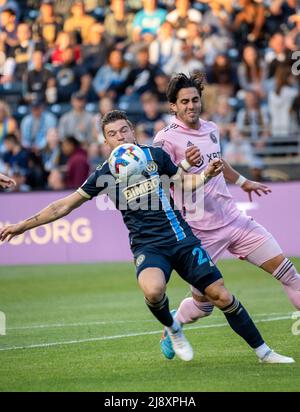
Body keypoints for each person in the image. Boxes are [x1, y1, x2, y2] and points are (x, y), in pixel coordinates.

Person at [0, 110, 294, 364]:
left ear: (133, 131)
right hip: (148, 246)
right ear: (106, 142)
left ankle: (265, 352)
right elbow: (63, 205)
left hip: (181, 238)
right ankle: (173, 328)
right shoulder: (105, 174)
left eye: (124, 130)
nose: (120, 136)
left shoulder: (155, 156)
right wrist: (22, 226)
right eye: (113, 133)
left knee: (221, 296)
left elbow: (183, 182)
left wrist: (204, 176)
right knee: (153, 292)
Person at [152, 72, 300, 360]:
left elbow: (219, 162)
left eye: (195, 99)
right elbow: (162, 180)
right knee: (204, 306)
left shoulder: (211, 128)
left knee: (289, 274)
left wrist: (243, 182)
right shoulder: (165, 140)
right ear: (173, 106)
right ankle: (175, 324)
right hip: (199, 232)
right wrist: (183, 163)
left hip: (235, 221)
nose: (192, 105)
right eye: (184, 101)